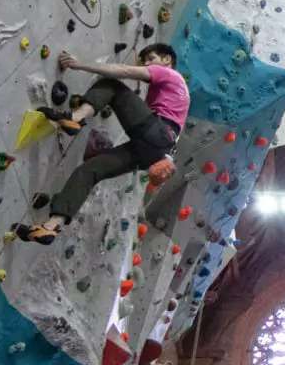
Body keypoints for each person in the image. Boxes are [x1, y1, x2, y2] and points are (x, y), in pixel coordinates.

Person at [14, 43, 189, 245]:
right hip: (155, 152)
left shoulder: (170, 75)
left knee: (112, 84)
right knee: (89, 171)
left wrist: (80, 65)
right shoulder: (177, 93)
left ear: (167, 59)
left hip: (158, 133)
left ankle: (76, 118)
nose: (148, 64)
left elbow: (123, 71)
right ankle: (51, 227)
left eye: (151, 58)